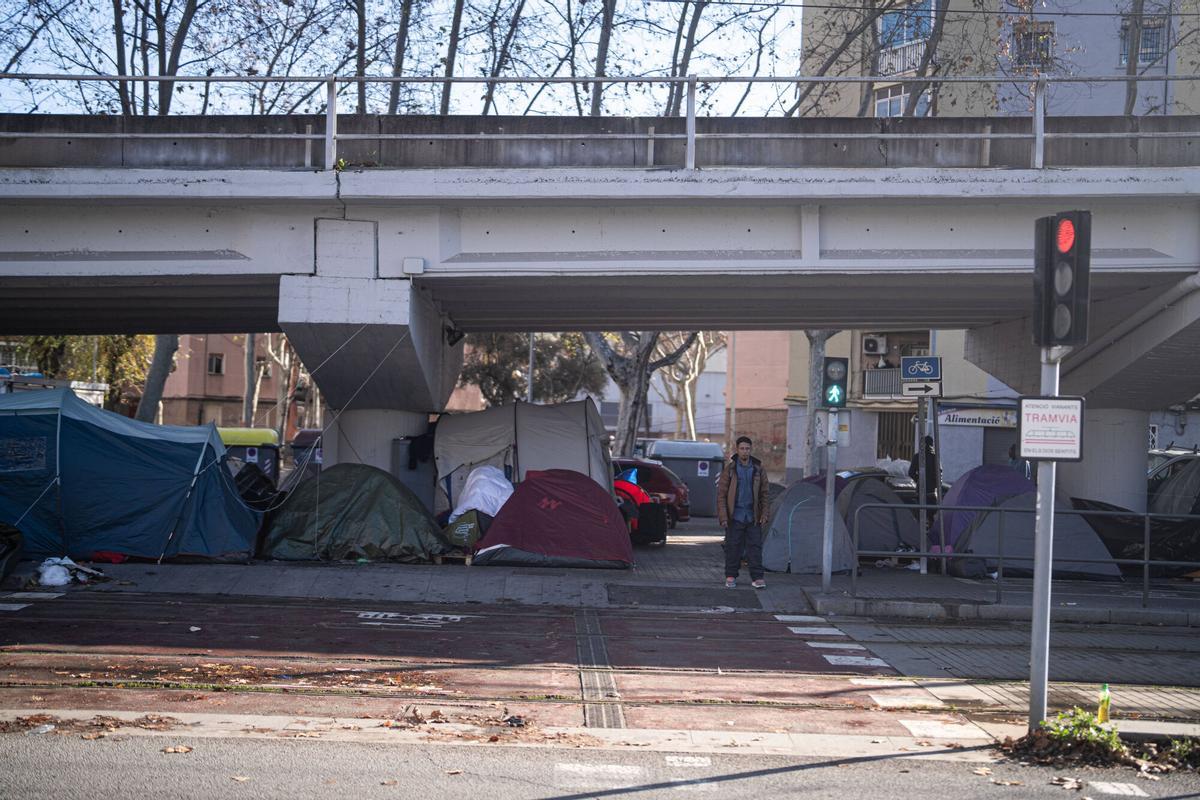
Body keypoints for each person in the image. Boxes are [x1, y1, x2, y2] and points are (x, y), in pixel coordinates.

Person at [716, 436, 770, 589]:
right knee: (733, 547)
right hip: (735, 516)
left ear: (751, 450)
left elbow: (765, 494)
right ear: (737, 450)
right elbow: (721, 495)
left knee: (755, 548)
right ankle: (731, 576)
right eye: (742, 448)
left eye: (747, 449)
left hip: (753, 516)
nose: (745, 451)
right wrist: (723, 517)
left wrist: (764, 514)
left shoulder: (758, 469)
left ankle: (757, 578)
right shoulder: (730, 470)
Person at [908, 435, 940, 508]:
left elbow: (911, 473)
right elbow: (939, 473)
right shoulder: (935, 457)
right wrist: (935, 484)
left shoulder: (917, 457)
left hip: (921, 490)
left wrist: (919, 480)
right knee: (931, 511)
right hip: (931, 491)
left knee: (920, 509)